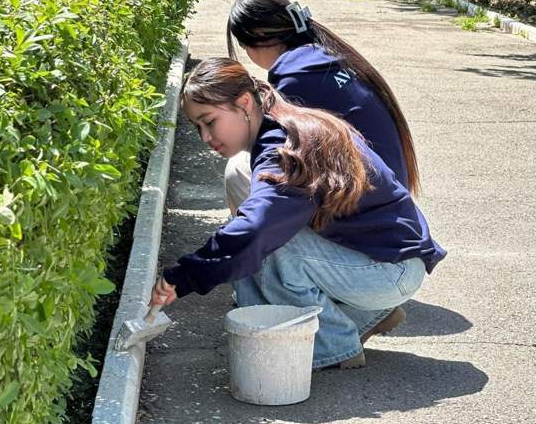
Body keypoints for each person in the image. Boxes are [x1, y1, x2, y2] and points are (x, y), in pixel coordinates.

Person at [150, 58, 446, 369]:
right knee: (254, 236)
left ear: (244, 103)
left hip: (391, 270)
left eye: (209, 122)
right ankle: (362, 315)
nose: (205, 138)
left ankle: (331, 345)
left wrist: (182, 278)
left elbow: (255, 233)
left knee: (270, 246)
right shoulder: (280, 120)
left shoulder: (285, 149)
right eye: (197, 127)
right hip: (385, 258)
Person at [226, 0, 419, 215]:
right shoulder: (324, 55)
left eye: (243, 44)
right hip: (394, 210)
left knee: (239, 170)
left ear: (259, 34)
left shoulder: (294, 79)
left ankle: (258, 249)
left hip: (370, 222)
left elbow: (270, 151)